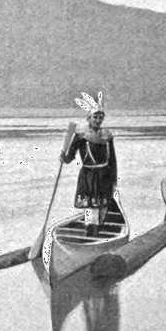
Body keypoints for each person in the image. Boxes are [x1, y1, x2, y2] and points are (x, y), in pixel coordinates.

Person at [63, 91, 117, 236]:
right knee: (91, 208)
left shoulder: (107, 136)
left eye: (101, 117)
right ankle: (91, 232)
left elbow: (112, 160)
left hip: (105, 175)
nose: (98, 120)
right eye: (95, 117)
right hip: (89, 176)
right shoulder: (81, 135)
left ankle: (99, 231)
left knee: (103, 206)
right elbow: (70, 156)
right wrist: (64, 157)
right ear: (89, 118)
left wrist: (114, 178)